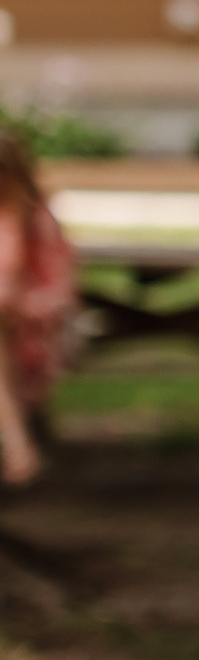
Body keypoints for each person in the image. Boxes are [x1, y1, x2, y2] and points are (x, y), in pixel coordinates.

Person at [0, 131, 77, 486]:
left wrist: (22, 306)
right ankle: (16, 444)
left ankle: (16, 443)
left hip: (29, 336)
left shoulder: (36, 223)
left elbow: (58, 295)